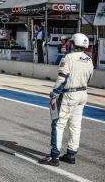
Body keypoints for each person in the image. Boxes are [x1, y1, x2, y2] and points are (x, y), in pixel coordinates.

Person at [39, 33, 93, 166]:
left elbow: (62, 78)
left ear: (73, 44)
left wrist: (54, 95)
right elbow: (89, 78)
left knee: (58, 124)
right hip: (83, 94)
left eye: (71, 43)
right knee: (75, 125)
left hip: (69, 94)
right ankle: (71, 154)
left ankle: (54, 156)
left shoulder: (68, 57)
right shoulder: (89, 59)